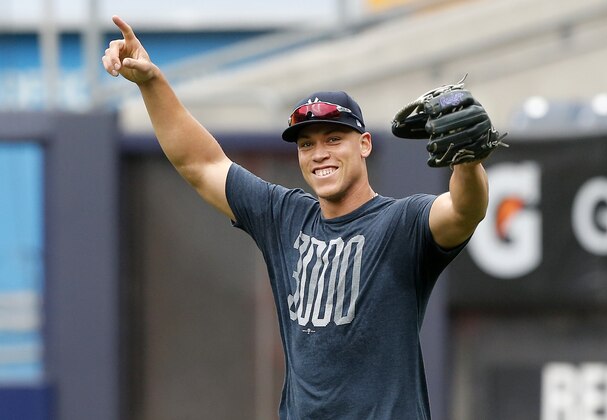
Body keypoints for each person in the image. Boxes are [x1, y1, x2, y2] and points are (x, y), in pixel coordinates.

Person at [102, 15, 489, 420]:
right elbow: (200, 164)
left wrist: (467, 163)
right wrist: (151, 82)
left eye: (333, 139)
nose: (319, 153)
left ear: (365, 145)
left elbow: (464, 210)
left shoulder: (401, 223)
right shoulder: (285, 217)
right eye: (307, 144)